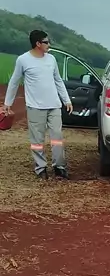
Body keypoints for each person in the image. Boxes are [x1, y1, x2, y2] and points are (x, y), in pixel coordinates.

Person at [1, 29, 73, 181]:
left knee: (57, 137)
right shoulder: (23, 60)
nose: (49, 44)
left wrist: (66, 100)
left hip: (54, 105)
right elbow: (14, 82)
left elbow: (58, 80)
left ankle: (59, 167)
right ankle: (41, 168)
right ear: (38, 44)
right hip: (35, 107)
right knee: (37, 140)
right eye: (46, 42)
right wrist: (8, 103)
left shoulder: (51, 59)